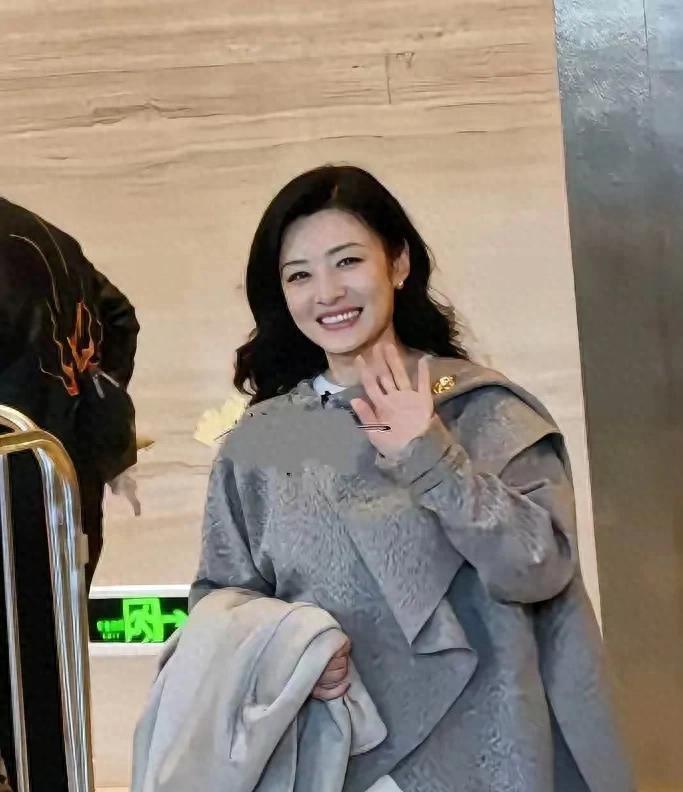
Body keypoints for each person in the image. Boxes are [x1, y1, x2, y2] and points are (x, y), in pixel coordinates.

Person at [190, 165, 633, 791]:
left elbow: (541, 568)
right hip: (330, 760)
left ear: (397, 264)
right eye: (299, 275)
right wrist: (287, 655)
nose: (327, 292)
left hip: (488, 760)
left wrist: (431, 456)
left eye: (348, 261)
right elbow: (219, 599)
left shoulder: (480, 408)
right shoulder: (264, 439)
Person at [0, 196, 140, 791]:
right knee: (46, 709)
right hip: (59, 502)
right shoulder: (44, 235)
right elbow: (120, 320)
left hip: (13, 503)